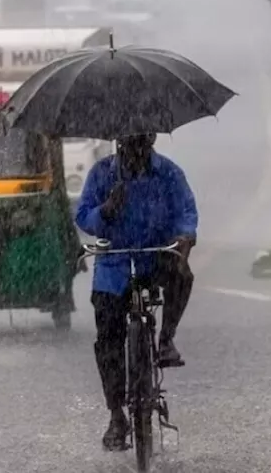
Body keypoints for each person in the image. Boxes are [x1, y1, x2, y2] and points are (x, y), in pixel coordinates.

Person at [74, 132, 198, 452]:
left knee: (182, 276)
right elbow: (83, 215)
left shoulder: (169, 173)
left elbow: (186, 211)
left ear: (152, 139)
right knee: (108, 341)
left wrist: (185, 236)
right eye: (129, 144)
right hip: (114, 266)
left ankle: (166, 340)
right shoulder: (102, 174)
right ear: (119, 143)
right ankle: (117, 415)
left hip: (155, 257)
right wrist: (106, 210)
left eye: (141, 143)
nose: (135, 151)